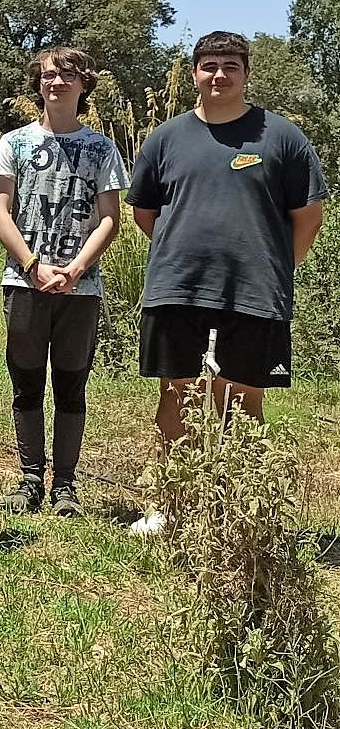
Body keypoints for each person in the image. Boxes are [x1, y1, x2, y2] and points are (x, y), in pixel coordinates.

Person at [126, 31, 327, 535]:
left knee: (243, 396)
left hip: (256, 290)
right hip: (177, 286)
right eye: (209, 65)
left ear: (246, 74)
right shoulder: (166, 137)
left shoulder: (282, 137)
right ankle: (172, 506)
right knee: (178, 393)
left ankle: (240, 509)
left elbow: (308, 217)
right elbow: (146, 212)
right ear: (195, 73)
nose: (219, 75)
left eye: (230, 66)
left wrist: (276, 266)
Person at [0, 47, 127, 517]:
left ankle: (65, 485)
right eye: (48, 75)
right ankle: (30, 478)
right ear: (38, 84)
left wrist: (76, 269)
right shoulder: (14, 143)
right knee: (26, 381)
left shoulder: (102, 149)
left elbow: (110, 218)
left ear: (84, 85)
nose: (56, 83)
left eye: (67, 75)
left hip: (80, 289)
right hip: (24, 282)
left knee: (71, 383)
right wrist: (33, 265)